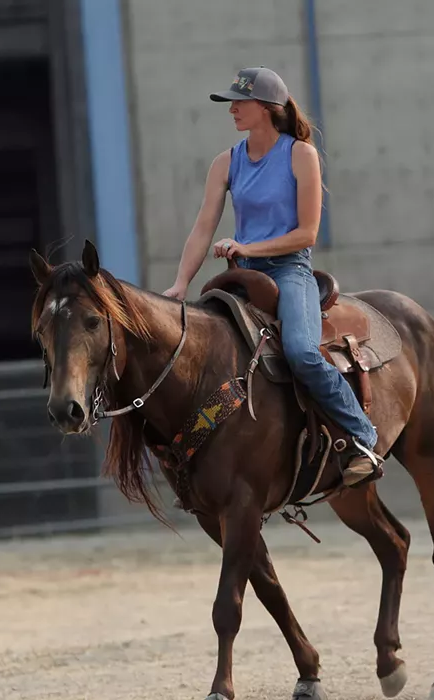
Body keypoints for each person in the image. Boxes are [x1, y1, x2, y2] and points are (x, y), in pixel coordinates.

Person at [161, 66, 382, 487]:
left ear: (266, 108)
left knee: (300, 351)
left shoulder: (300, 154)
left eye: (239, 103)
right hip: (243, 277)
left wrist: (248, 247)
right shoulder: (225, 162)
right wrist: (180, 284)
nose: (232, 111)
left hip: (289, 269)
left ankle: (362, 435)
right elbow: (203, 227)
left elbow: (307, 233)